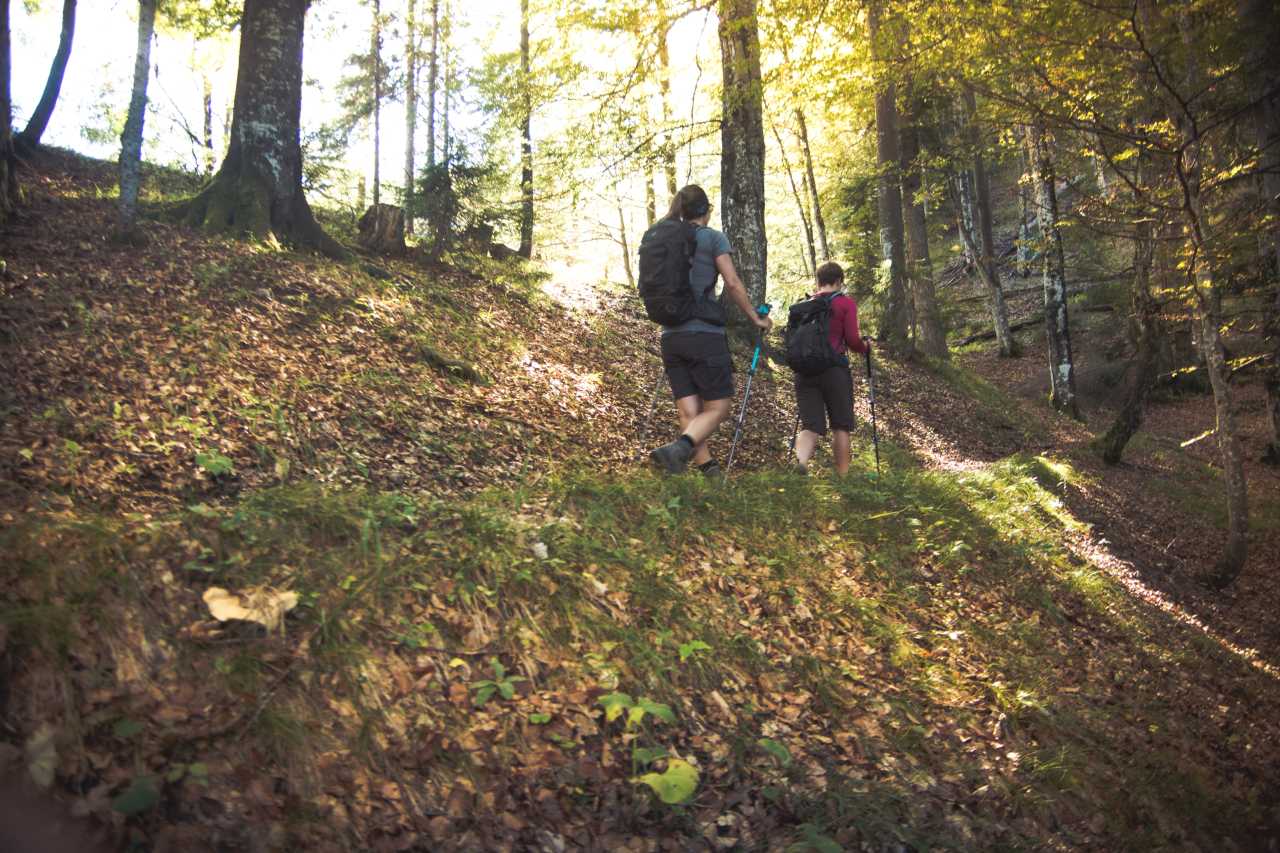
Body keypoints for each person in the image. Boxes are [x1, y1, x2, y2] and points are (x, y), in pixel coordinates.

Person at [649, 185, 773, 475]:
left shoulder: (664, 239)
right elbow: (731, 282)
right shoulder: (712, 238)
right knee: (718, 407)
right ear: (706, 211)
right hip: (703, 334)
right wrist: (755, 317)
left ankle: (707, 471)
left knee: (689, 410)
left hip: (670, 336)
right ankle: (680, 449)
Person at [792, 261, 868, 476]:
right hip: (834, 370)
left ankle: (802, 462)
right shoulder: (845, 304)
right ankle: (843, 476)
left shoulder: (805, 305)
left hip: (805, 370)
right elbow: (853, 340)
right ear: (839, 281)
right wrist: (865, 348)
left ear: (818, 281)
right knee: (841, 426)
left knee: (810, 425)